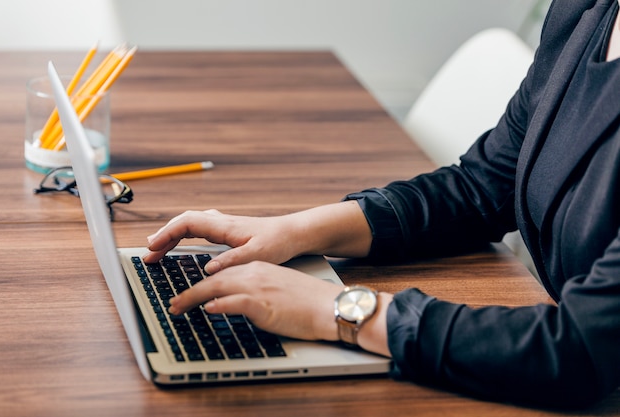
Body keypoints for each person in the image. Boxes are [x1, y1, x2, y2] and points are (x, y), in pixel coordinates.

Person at [144, 0, 620, 409]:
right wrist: (298, 230)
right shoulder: (589, 10)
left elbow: (578, 350)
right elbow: (487, 182)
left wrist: (342, 311)